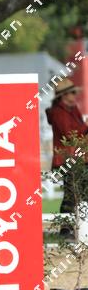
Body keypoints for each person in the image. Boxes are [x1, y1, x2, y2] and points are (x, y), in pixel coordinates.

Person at [45, 78, 88, 230]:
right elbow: (70, 135)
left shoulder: (72, 109)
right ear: (64, 95)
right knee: (72, 195)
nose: (75, 95)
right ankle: (66, 228)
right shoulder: (58, 113)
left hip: (78, 157)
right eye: (72, 92)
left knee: (77, 193)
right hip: (67, 159)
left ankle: (72, 228)